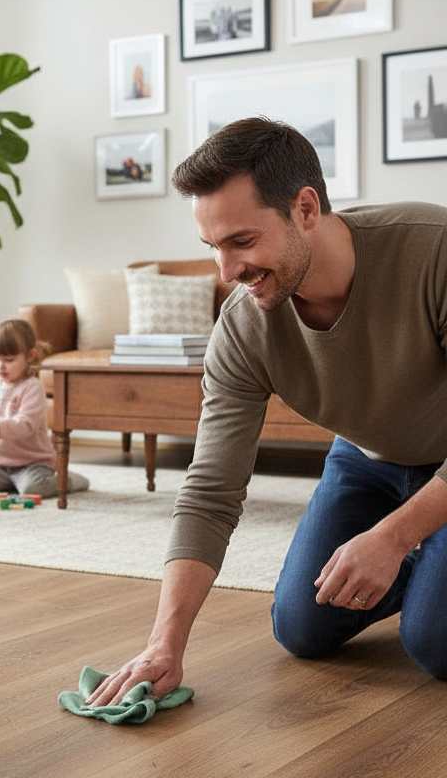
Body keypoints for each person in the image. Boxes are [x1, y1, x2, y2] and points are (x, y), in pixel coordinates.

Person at [87, 116, 447, 708]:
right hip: (367, 457)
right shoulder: (244, 327)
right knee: (301, 629)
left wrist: (392, 535)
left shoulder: (432, 250)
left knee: (437, 644)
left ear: (306, 208)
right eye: (213, 248)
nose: (227, 273)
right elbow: (210, 490)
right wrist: (164, 644)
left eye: (242, 242)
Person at [0, 318, 90, 500]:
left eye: (9, 360)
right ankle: (11, 483)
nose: (0, 366)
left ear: (30, 356)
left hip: (32, 463)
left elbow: (24, 426)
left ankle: (68, 479)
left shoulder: (32, 387)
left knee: (33, 489)